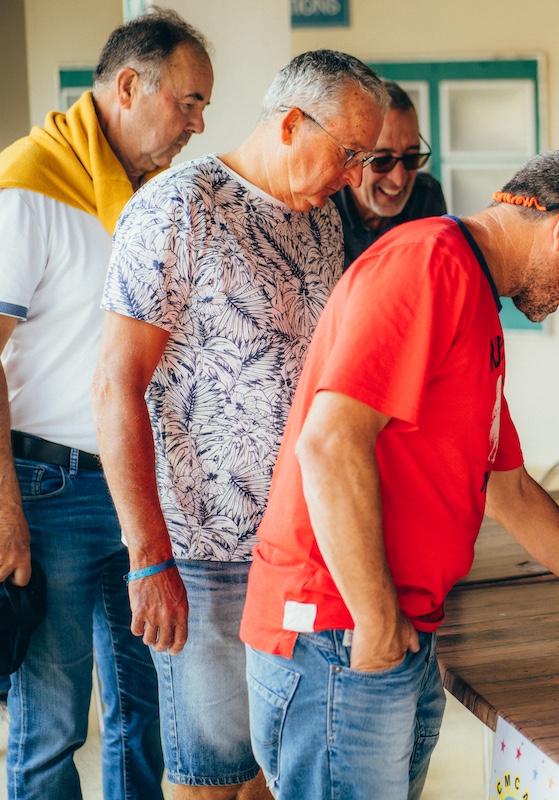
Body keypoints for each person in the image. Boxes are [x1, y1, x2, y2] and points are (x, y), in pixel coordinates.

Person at [239, 149, 559, 800]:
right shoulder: (426, 265)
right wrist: (377, 621)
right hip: (342, 627)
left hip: (397, 627)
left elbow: (511, 490)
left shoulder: (473, 299)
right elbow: (328, 444)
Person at [91, 50, 387, 800]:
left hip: (297, 547)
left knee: (274, 770)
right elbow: (115, 387)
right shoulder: (177, 208)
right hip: (203, 556)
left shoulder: (318, 219)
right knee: (206, 776)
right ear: (290, 123)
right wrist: (149, 559)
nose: (356, 177)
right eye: (349, 154)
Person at [0, 10, 212, 797]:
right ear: (129, 86)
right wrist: (4, 510)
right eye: (189, 102)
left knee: (146, 717)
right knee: (51, 728)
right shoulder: (28, 186)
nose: (198, 123)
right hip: (46, 490)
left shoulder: (157, 201)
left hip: (139, 489)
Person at [330, 80, 447, 266]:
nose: (399, 180)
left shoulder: (426, 197)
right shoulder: (321, 204)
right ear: (352, 157)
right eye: (383, 160)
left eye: (411, 158)